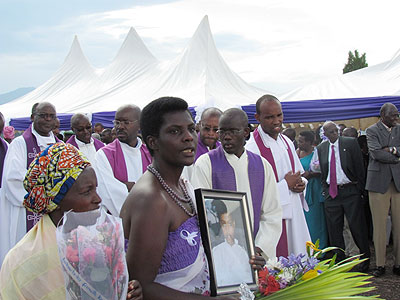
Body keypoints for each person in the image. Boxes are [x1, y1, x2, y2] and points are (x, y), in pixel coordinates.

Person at [121, 97, 261, 299]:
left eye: (190, 129)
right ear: (153, 142)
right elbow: (141, 287)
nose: (188, 137)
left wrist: (244, 259)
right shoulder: (151, 199)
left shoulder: (182, 184)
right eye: (175, 131)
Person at [0, 143, 142, 299]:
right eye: (87, 191)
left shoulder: (99, 242)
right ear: (57, 200)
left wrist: (127, 292)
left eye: (95, 188)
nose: (98, 199)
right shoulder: (22, 263)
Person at [192, 108, 282, 259]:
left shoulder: (262, 165)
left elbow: (272, 212)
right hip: (221, 252)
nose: (226, 137)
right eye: (222, 132)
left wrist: (260, 247)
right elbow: (202, 212)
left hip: (257, 252)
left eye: (233, 131)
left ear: (246, 132)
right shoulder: (206, 163)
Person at [246, 94, 310, 257]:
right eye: (269, 117)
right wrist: (284, 185)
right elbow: (252, 192)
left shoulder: (287, 142)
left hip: (294, 212)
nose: (276, 121)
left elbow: (298, 174)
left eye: (279, 115)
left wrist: (301, 183)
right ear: (257, 117)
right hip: (270, 218)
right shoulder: (251, 149)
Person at [0, 102, 61, 265]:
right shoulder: (20, 144)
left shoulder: (60, 146)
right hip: (26, 210)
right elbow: (12, 178)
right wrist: (44, 194)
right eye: (43, 115)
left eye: (52, 116)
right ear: (32, 117)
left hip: (54, 211)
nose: (47, 119)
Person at [316, 121, 370, 272]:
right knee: (334, 230)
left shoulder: (350, 143)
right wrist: (326, 190)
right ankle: (340, 261)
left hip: (350, 191)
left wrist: (360, 190)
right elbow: (323, 171)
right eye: (330, 132)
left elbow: (360, 167)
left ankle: (365, 260)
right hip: (332, 193)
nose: (334, 134)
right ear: (324, 134)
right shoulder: (322, 148)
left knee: (357, 227)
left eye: (335, 131)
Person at [95, 105, 151, 216]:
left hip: (150, 217)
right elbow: (108, 193)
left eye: (126, 122)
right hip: (120, 222)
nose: (120, 127)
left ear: (139, 124)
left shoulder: (150, 153)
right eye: (117, 122)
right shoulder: (104, 155)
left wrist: (130, 187)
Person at [366, 103, 400, 277]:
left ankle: (398, 264)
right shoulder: (371, 130)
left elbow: (384, 153)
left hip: (398, 183)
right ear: (383, 115)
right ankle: (380, 265)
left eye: (397, 114)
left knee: (399, 226)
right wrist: (397, 157)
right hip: (378, 184)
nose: (396, 118)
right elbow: (376, 153)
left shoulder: (399, 129)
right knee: (379, 226)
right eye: (393, 115)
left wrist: (392, 150)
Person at [297, 130, 328, 249]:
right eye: (299, 141)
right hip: (302, 189)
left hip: (314, 188)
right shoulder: (297, 152)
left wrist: (311, 174)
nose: (299, 144)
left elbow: (321, 169)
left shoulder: (316, 153)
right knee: (305, 220)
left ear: (310, 142)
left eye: (302, 141)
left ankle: (319, 248)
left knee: (316, 220)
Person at [212, 201, 253, 287]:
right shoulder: (216, 251)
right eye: (223, 225)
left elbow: (248, 276)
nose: (227, 228)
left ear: (234, 224)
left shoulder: (242, 251)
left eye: (229, 224)